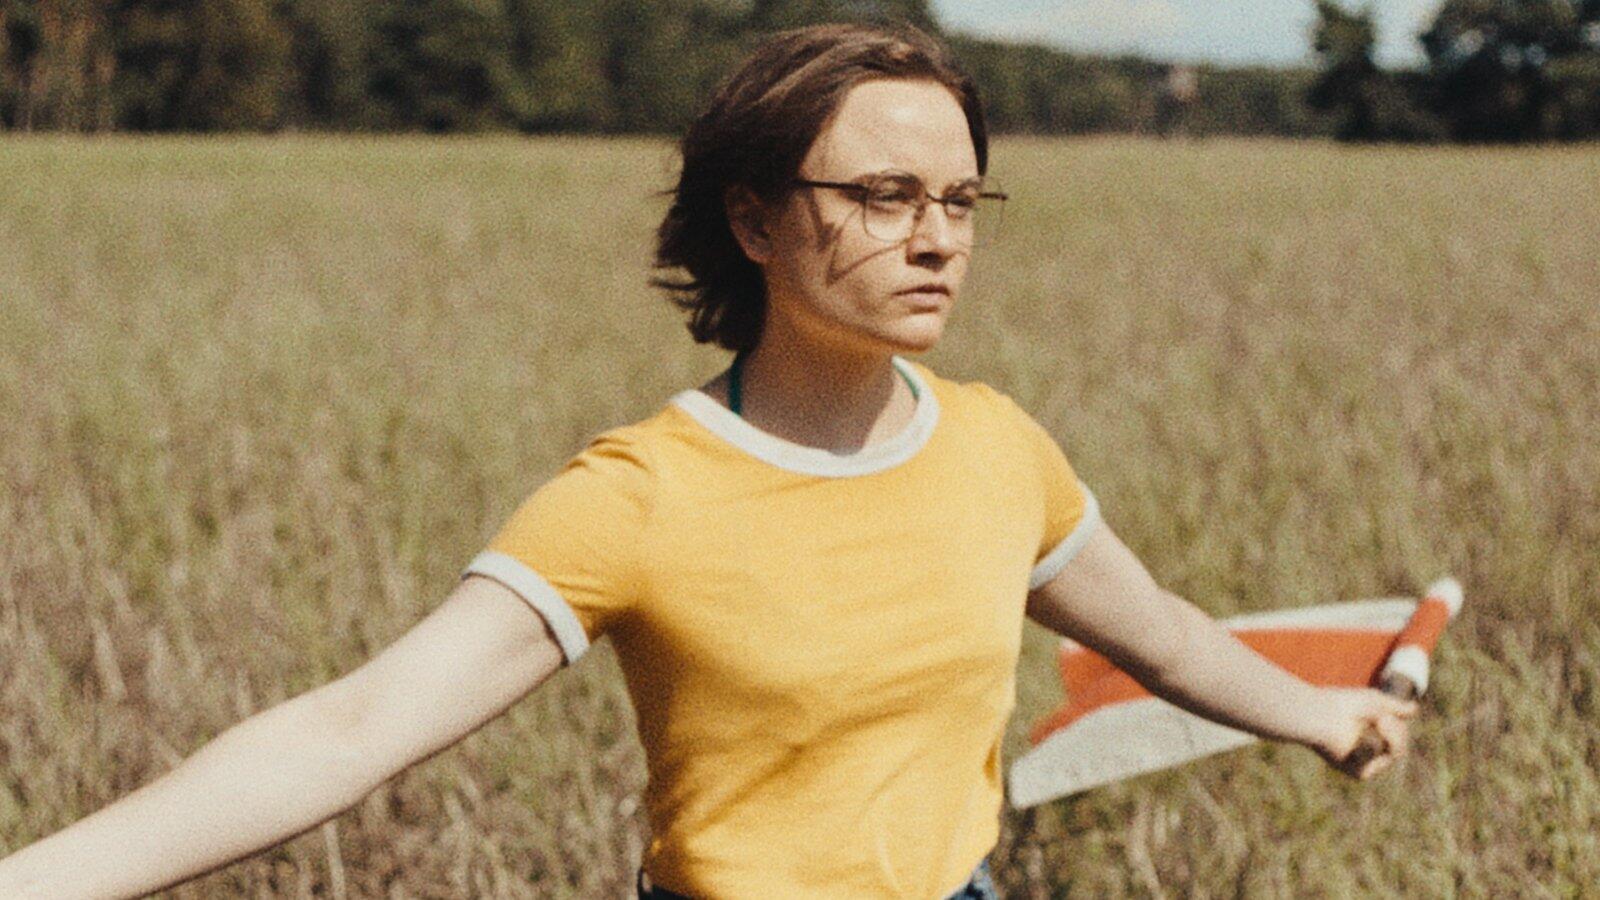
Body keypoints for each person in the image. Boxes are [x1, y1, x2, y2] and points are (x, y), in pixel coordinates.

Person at [0, 22, 1417, 900]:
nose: (936, 238)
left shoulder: (998, 448)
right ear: (752, 219)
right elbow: (351, 731)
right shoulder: (640, 497)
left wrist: (1323, 716)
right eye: (883, 196)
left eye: (959, 199)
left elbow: (1160, 634)